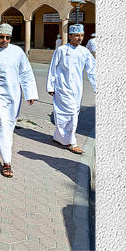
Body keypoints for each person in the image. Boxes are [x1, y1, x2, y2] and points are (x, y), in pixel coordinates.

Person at [0, 23, 38, 178]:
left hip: (13, 96)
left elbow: (26, 73)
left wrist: (30, 93)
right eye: (1, 37)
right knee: (2, 123)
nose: (4, 40)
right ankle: (7, 162)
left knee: (8, 125)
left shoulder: (18, 52)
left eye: (7, 38)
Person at [46, 24, 97, 155]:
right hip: (62, 87)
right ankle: (72, 142)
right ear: (70, 36)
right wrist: (50, 86)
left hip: (77, 89)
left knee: (71, 113)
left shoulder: (84, 52)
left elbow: (93, 70)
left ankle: (59, 137)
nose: (79, 38)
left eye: (81, 36)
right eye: (76, 35)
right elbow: (53, 68)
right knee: (69, 114)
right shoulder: (62, 50)